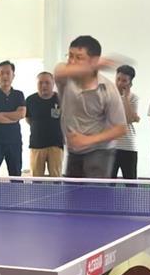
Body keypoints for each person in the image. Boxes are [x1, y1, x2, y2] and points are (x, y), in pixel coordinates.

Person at [53, 35, 127, 178]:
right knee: (72, 191)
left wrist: (87, 140)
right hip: (74, 151)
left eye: (78, 57)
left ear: (94, 60)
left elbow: (120, 128)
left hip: (100, 151)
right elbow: (59, 71)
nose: (71, 61)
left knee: (93, 192)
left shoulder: (108, 89)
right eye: (70, 56)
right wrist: (92, 66)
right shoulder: (65, 80)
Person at [0, 60, 26, 176]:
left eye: (8, 73)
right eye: (2, 73)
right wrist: (13, 118)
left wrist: (0, 115)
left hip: (14, 142)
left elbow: (21, 114)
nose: (5, 76)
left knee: (16, 176)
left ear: (13, 75)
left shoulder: (19, 94)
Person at [25, 72, 63, 177]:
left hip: (56, 145)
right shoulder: (30, 100)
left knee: (56, 177)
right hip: (36, 145)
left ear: (53, 83)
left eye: (47, 82)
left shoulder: (61, 99)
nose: (44, 85)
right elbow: (28, 119)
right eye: (40, 83)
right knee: (36, 178)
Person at [113, 64, 140, 179]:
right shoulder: (107, 96)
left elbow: (128, 119)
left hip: (128, 147)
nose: (120, 83)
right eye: (118, 79)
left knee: (131, 182)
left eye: (124, 81)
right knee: (108, 183)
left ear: (130, 83)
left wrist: (125, 98)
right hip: (110, 147)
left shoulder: (134, 98)